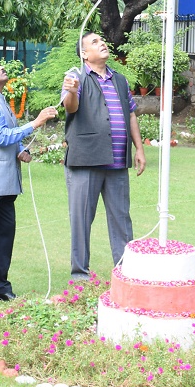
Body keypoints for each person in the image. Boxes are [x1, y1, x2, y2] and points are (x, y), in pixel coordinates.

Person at [0, 58, 57, 307]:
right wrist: (35, 123)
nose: (1, 67)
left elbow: (7, 139)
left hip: (4, 181)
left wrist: (20, 149)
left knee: (3, 235)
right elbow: (1, 136)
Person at [61, 32, 146, 279]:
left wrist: (139, 149)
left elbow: (131, 115)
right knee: (81, 219)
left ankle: (125, 273)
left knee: (121, 218)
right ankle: (79, 274)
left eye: (102, 40)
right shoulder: (75, 76)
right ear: (84, 54)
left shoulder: (120, 80)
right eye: (95, 42)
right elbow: (70, 107)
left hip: (118, 161)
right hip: (86, 160)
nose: (103, 43)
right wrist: (73, 91)